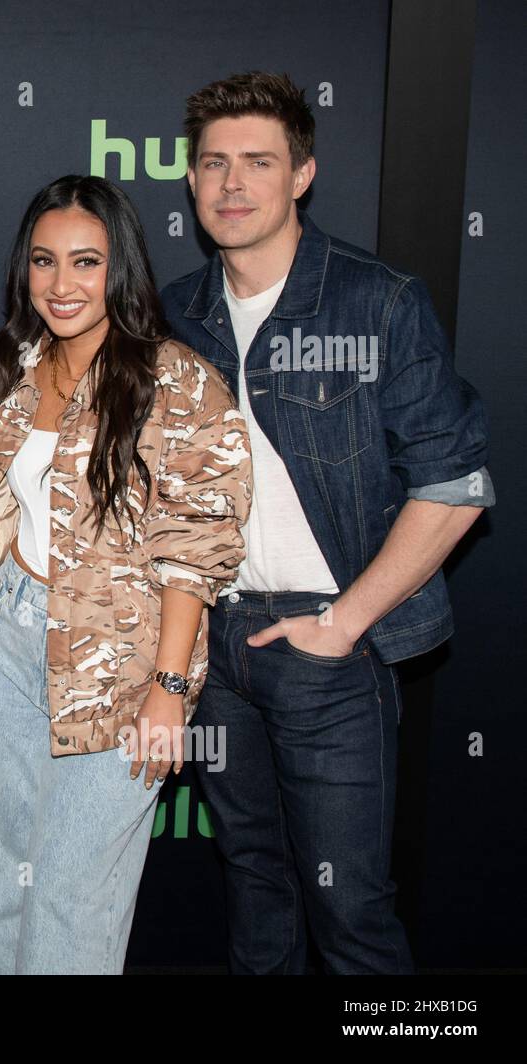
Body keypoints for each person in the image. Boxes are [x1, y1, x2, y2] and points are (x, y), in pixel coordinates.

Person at [160, 71, 494, 974]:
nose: (233, 184)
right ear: (189, 182)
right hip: (215, 647)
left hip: (325, 654)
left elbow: (456, 482)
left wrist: (346, 623)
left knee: (351, 914)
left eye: (258, 162)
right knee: (255, 893)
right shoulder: (174, 316)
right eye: (214, 164)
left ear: (302, 174)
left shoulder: (375, 303)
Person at [0, 174, 252, 974]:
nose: (62, 284)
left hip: (119, 665)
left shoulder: (177, 380)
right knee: (3, 882)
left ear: (120, 268)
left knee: (69, 904)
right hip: (3, 646)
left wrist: (170, 687)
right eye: (44, 262)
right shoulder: (20, 368)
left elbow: (197, 546)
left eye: (86, 262)